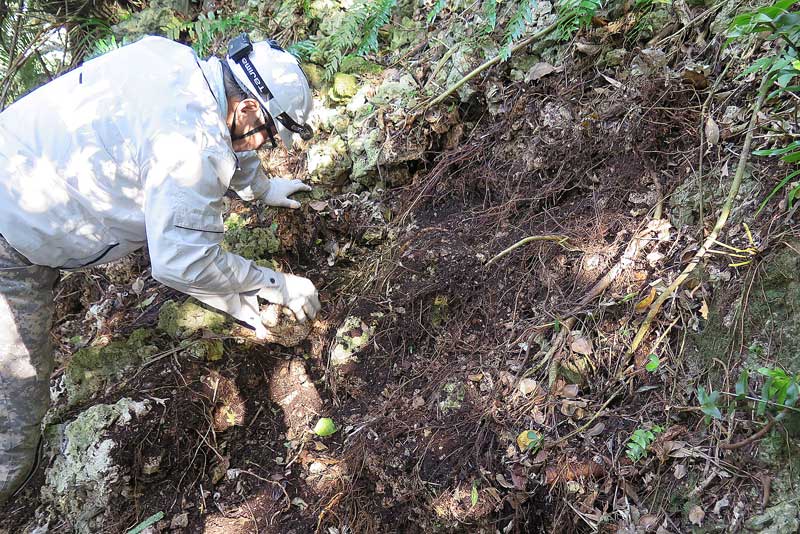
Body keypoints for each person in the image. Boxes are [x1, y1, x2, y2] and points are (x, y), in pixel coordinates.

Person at [0, 32, 321, 503]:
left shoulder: (176, 63)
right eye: (270, 134)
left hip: (28, 187)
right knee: (18, 385)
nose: (266, 145)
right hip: (12, 233)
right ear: (249, 109)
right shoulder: (188, 145)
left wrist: (262, 189)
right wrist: (276, 285)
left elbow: (234, 141)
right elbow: (180, 262)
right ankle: (10, 486)